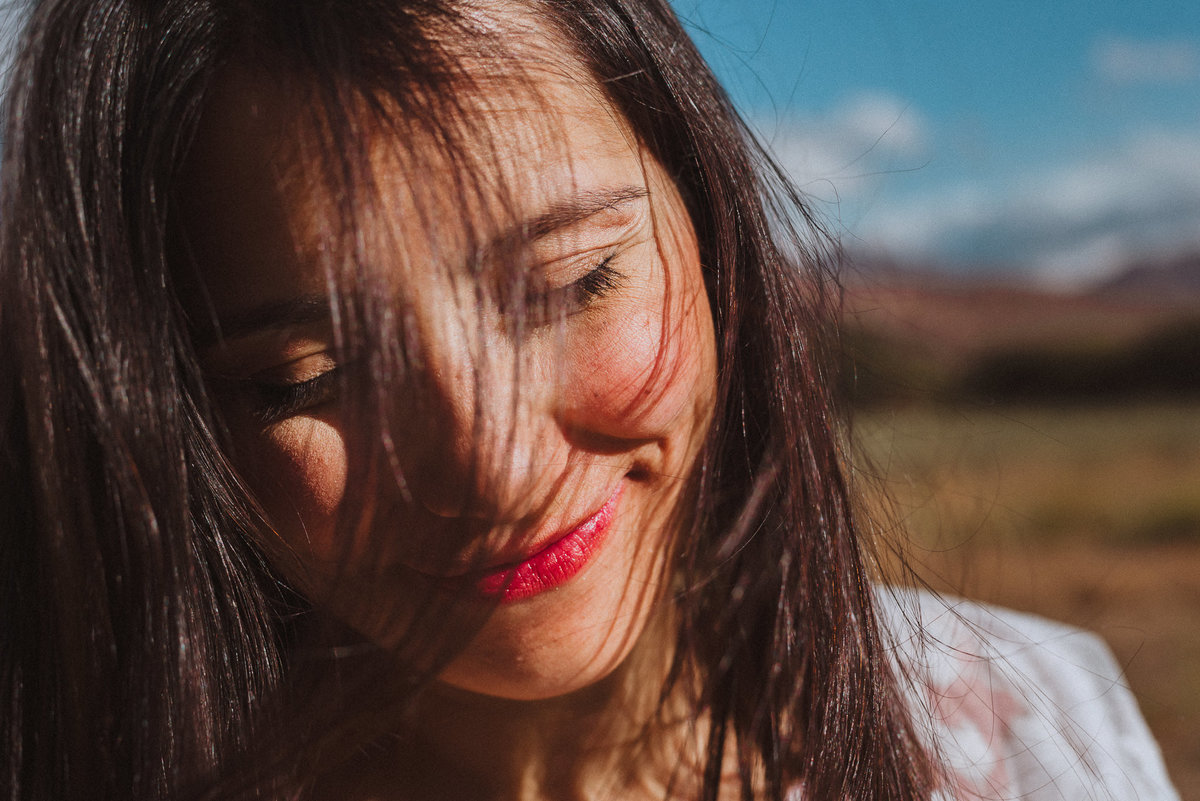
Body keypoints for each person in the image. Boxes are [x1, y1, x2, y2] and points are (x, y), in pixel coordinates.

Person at [0, 0, 1178, 799]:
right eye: (299, 378)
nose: (494, 467)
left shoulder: (1030, 731)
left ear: (714, 232)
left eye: (574, 283)